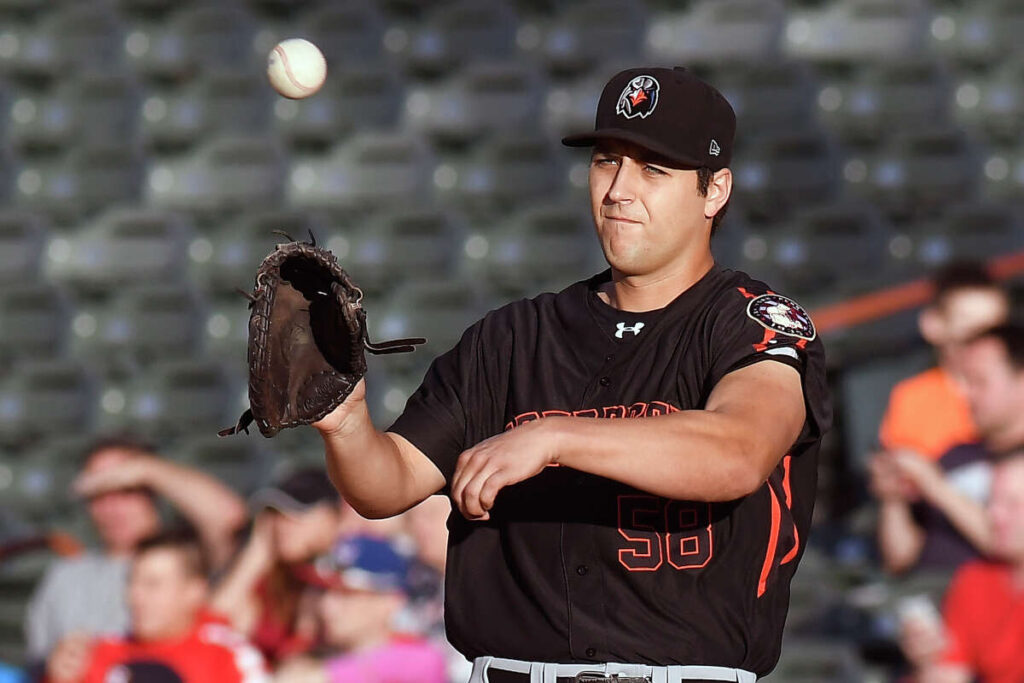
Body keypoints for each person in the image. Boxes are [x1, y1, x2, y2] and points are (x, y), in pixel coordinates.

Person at [309, 67, 831, 682]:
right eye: (607, 162)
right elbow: (387, 485)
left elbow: (740, 452)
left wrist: (555, 435)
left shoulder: (752, 322)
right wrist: (344, 424)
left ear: (715, 191)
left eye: (654, 171)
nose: (619, 190)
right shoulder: (512, 336)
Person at [26, 436, 248, 661]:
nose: (112, 508)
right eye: (98, 495)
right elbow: (38, 662)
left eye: (126, 490)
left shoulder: (188, 559)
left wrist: (147, 470)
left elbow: (228, 519)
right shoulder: (66, 576)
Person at [871, 323, 1024, 576]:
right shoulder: (954, 456)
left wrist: (934, 484)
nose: (965, 394)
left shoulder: (935, 475)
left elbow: (1006, 545)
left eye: (979, 382)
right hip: (925, 601)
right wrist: (892, 498)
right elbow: (899, 558)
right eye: (963, 381)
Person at [211, 467, 401, 666]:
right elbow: (209, 631)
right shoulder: (274, 580)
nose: (283, 524)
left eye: (297, 512)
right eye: (274, 514)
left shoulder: (375, 559)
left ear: (335, 515)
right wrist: (258, 552)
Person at [44, 528, 266, 683]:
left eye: (153, 584)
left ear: (194, 591)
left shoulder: (228, 658)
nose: (134, 596)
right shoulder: (96, 653)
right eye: (132, 582)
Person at [900, 451, 1024, 683]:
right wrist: (926, 662)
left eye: (1012, 504)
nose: (994, 514)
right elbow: (950, 675)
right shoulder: (975, 582)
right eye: (991, 502)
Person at [876, 263, 1009, 462]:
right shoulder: (911, 401)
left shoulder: (1015, 388)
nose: (984, 342)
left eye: (995, 330)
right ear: (932, 325)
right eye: (971, 329)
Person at [274, 534, 448, 683]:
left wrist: (322, 675)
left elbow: (412, 664)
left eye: (347, 594)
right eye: (325, 591)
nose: (327, 606)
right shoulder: (307, 654)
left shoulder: (419, 659)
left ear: (391, 600)